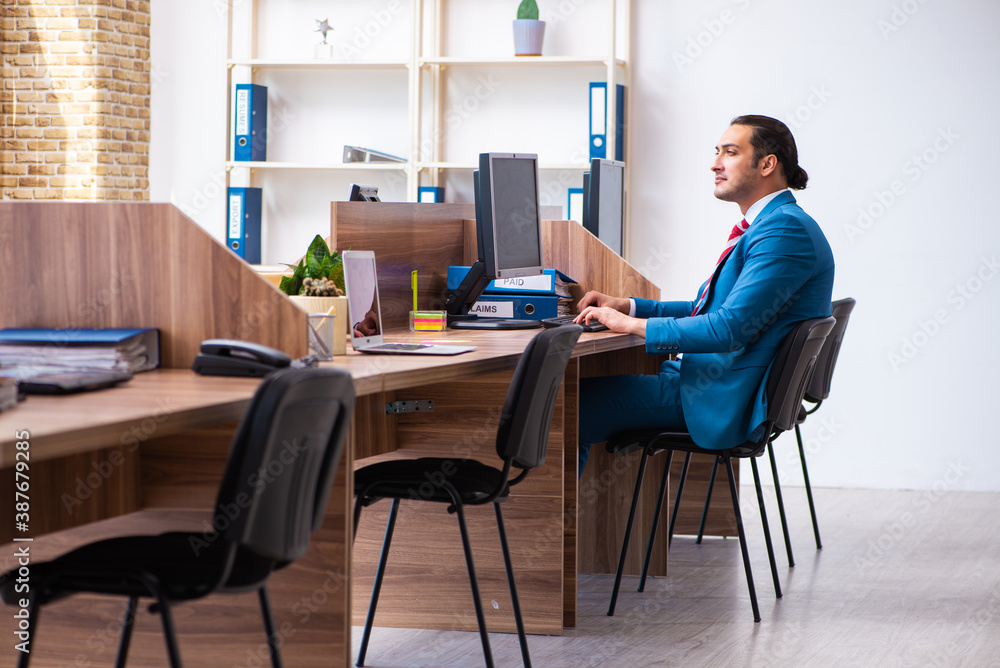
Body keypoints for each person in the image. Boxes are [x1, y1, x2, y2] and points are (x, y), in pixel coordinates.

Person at [574, 115, 835, 473]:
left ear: (767, 164)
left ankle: (551, 528)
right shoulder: (770, 224)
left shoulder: (784, 231)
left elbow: (728, 329)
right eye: (717, 152)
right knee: (574, 397)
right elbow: (708, 310)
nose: (715, 164)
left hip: (718, 397)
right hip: (709, 383)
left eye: (729, 152)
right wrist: (629, 307)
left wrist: (631, 325)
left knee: (569, 406)